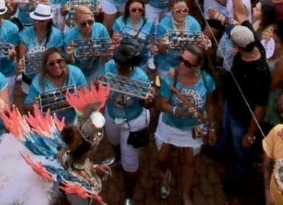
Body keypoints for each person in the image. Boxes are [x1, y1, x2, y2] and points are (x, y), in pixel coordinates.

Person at [155, 44, 218, 205]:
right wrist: (176, 111)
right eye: (181, 59)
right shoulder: (172, 77)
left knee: (189, 161)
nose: (182, 64)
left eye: (188, 63)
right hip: (170, 124)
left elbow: (210, 104)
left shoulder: (206, 79)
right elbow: (163, 104)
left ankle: (185, 194)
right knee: (162, 157)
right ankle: (165, 175)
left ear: (199, 65)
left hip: (193, 127)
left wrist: (211, 127)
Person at [101, 38, 154, 205]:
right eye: (117, 60)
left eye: (122, 62)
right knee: (113, 140)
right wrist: (100, 85)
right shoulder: (109, 66)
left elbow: (147, 103)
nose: (118, 64)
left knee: (130, 166)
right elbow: (103, 87)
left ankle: (129, 195)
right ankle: (117, 157)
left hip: (133, 121)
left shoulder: (141, 77)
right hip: (111, 114)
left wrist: (148, 100)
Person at [221, 24, 270, 195]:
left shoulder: (261, 72)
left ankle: (239, 180)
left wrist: (250, 134)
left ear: (237, 46)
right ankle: (221, 151)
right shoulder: (252, 43)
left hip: (242, 118)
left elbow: (260, 107)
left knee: (242, 152)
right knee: (226, 132)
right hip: (230, 105)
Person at [24, 48, 88, 123]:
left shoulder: (76, 73)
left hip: (74, 119)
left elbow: (88, 96)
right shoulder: (37, 81)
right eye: (51, 64)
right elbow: (27, 106)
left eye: (59, 61)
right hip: (49, 123)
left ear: (64, 61)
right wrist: (33, 106)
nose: (56, 65)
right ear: (46, 67)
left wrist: (83, 95)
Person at [18, 3, 65, 93]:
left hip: (50, 77)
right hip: (29, 76)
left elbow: (58, 56)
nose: (37, 22)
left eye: (41, 21)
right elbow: (22, 55)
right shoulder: (25, 34)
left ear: (48, 20)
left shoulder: (56, 34)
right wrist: (21, 62)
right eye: (36, 20)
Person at [64, 5, 111, 83]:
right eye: (83, 24)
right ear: (76, 23)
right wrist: (70, 56)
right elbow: (67, 64)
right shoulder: (70, 37)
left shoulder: (100, 29)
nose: (87, 26)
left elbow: (108, 56)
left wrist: (103, 74)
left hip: (97, 70)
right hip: (78, 74)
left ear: (94, 19)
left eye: (90, 22)